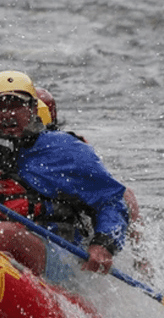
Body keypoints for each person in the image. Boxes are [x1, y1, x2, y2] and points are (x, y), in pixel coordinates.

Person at [0, 70, 130, 280]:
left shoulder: (66, 149)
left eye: (16, 105)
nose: (7, 114)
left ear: (33, 109)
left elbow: (111, 200)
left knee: (4, 234)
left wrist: (104, 245)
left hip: (55, 255)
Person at [34, 84, 144, 239]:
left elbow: (107, 193)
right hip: (34, 223)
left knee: (125, 194)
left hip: (72, 220)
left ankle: (141, 258)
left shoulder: (70, 147)